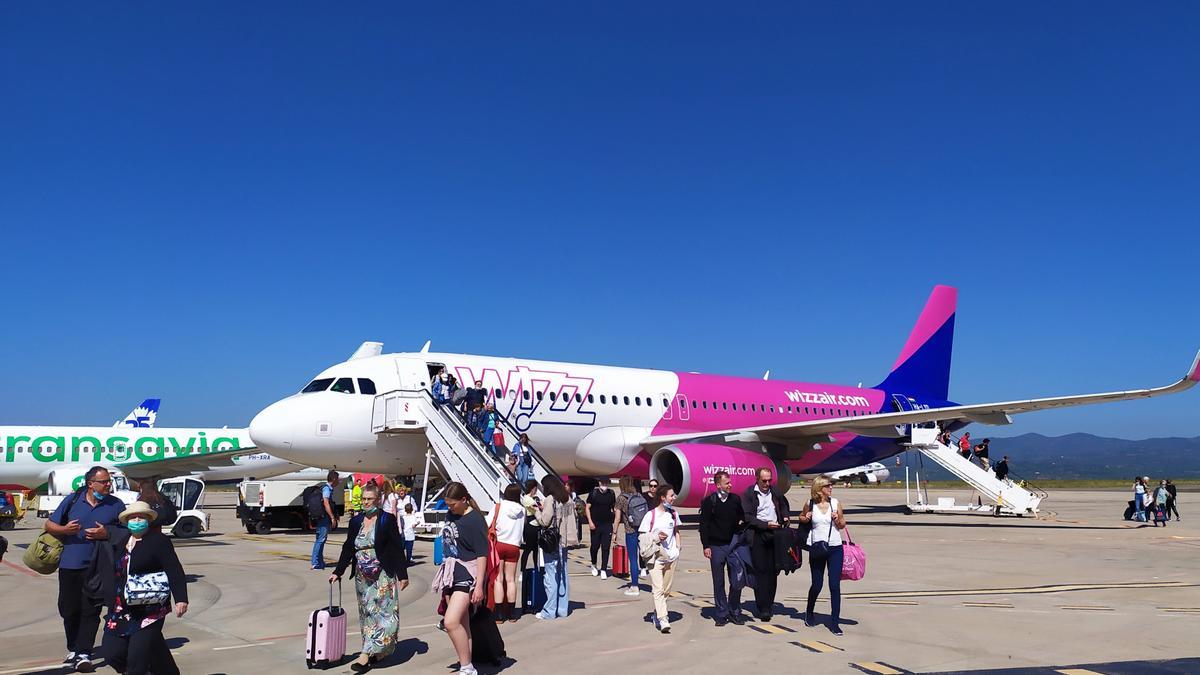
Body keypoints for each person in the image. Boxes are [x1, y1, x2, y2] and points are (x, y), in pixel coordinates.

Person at [44, 465, 125, 673]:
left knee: (91, 610)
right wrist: (64, 529)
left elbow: (126, 532)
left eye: (109, 481)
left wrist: (105, 532)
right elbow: (49, 525)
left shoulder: (116, 505)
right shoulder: (72, 501)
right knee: (69, 609)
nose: (109, 484)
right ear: (91, 484)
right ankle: (74, 647)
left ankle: (84, 653)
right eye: (104, 481)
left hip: (99, 566)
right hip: (70, 565)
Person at [99, 501, 188, 675]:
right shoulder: (122, 541)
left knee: (137, 658)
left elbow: (174, 569)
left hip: (150, 609)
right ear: (126, 521)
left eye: (141, 517)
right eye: (133, 517)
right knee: (112, 653)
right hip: (121, 609)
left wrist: (181, 598)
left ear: (148, 520)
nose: (137, 520)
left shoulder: (159, 541)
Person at [330, 483, 411, 672]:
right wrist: (338, 571)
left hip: (383, 574)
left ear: (378, 500)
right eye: (364, 499)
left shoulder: (386, 520)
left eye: (369, 499)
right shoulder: (356, 521)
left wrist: (403, 574)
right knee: (367, 613)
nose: (366, 502)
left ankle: (369, 652)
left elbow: (396, 547)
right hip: (362, 575)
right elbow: (349, 546)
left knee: (384, 613)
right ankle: (369, 650)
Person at [431, 482, 489, 675]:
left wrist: (479, 585)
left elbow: (482, 554)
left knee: (450, 622)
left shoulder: (475, 520)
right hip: (451, 573)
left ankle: (467, 667)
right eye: (447, 504)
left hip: (467, 574)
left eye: (452, 504)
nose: (449, 508)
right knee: (462, 623)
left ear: (464, 500)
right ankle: (466, 663)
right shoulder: (452, 514)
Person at [741, 467, 790, 622]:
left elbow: (783, 505)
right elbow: (748, 517)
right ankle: (763, 607)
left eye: (769, 480)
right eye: (764, 481)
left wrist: (786, 516)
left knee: (773, 571)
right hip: (758, 534)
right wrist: (765, 525)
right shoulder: (749, 494)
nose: (767, 483)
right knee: (760, 571)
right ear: (757, 479)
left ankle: (769, 604)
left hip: (775, 533)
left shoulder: (775, 492)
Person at [800, 476, 847, 636]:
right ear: (819, 488)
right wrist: (805, 518)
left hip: (835, 547)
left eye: (831, 485)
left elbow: (842, 524)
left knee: (834, 585)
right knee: (817, 585)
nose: (831, 488)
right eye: (828, 485)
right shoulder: (810, 503)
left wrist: (837, 519)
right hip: (817, 548)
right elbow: (801, 517)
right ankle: (809, 611)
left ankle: (835, 622)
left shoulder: (835, 503)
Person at [699, 471, 746, 626]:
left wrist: (740, 531)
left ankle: (734, 610)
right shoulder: (709, 502)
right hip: (716, 545)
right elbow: (704, 525)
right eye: (727, 483)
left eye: (730, 482)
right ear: (718, 485)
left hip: (732, 544)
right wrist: (706, 546)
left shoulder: (735, 499)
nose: (730, 485)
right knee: (718, 581)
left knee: (736, 579)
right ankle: (721, 613)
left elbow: (742, 517)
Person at [639, 484, 681, 634]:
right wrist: (656, 537)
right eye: (671, 495)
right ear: (663, 498)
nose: (674, 498)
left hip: (671, 557)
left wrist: (677, 548)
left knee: (666, 590)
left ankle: (657, 613)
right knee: (658, 589)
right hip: (655, 557)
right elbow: (642, 536)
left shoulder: (674, 514)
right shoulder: (651, 515)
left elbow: (676, 531)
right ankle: (664, 619)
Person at [534, 474, 573, 619]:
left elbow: (545, 521)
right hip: (564, 541)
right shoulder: (568, 499)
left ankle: (549, 611)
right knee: (563, 574)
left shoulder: (551, 499)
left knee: (550, 576)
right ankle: (562, 609)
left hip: (552, 542)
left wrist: (537, 511)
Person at [489, 484, 525, 622]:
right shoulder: (522, 510)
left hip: (499, 544)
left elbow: (488, 523)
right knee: (511, 579)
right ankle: (511, 614)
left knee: (499, 579)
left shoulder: (499, 506)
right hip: (514, 546)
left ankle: (499, 615)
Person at [614, 476, 648, 596]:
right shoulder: (639, 495)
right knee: (648, 557)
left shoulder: (621, 498)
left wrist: (614, 532)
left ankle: (634, 586)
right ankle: (657, 584)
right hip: (643, 530)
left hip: (630, 531)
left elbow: (618, 518)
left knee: (633, 560)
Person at [585, 480, 617, 580]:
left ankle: (603, 569)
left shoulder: (611, 493)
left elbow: (613, 508)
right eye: (603, 483)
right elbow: (587, 508)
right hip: (595, 524)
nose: (604, 486)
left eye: (606, 484)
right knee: (594, 546)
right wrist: (590, 521)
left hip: (607, 525)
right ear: (599, 483)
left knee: (606, 547)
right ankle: (593, 564)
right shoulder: (593, 494)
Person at [313, 470, 340, 570]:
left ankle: (319, 562)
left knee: (320, 540)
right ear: (333, 479)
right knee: (321, 540)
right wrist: (332, 517)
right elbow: (326, 503)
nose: (339, 481)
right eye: (337, 479)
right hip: (323, 518)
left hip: (322, 517)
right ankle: (315, 563)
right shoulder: (326, 489)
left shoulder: (326, 488)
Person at [519, 479, 543, 571]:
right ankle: (522, 569)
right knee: (528, 549)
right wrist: (540, 506)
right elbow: (539, 507)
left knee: (536, 549)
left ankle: (536, 568)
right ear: (533, 488)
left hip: (537, 525)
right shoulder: (527, 499)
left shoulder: (534, 498)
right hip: (530, 525)